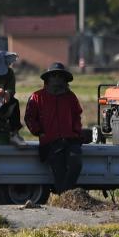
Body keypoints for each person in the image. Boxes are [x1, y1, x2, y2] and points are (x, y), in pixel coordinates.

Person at [24, 62, 83, 194]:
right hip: (50, 142)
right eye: (54, 75)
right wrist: (39, 132)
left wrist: (76, 133)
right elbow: (29, 118)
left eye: (60, 76)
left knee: (76, 163)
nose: (57, 78)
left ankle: (67, 195)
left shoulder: (71, 97)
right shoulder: (37, 96)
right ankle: (65, 197)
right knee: (59, 170)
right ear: (47, 79)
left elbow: (77, 116)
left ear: (65, 79)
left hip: (70, 140)